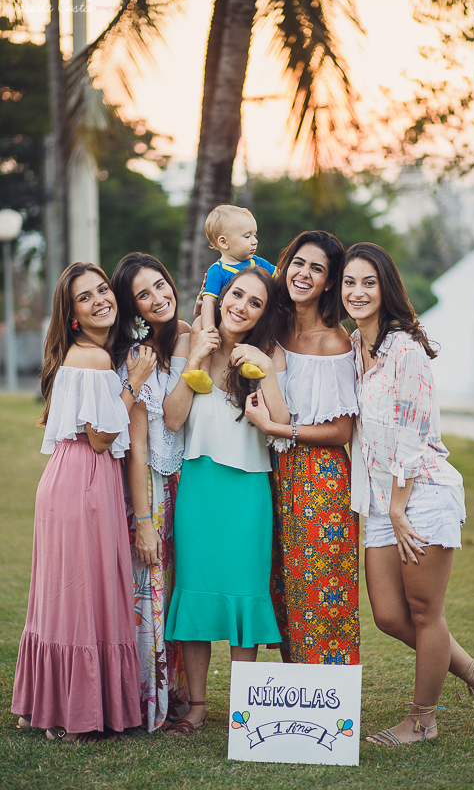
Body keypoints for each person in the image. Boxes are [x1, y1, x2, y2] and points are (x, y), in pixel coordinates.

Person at [341, 242, 474, 744]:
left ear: (386, 287)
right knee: (389, 615)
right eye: (349, 281)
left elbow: (412, 434)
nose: (357, 291)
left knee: (424, 612)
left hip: (421, 493)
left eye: (368, 281)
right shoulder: (355, 346)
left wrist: (398, 506)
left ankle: (422, 720)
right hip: (377, 499)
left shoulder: (405, 350)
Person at [12, 262, 156, 742]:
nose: (100, 300)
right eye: (85, 297)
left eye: (102, 290)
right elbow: (100, 437)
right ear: (72, 314)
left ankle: (48, 705)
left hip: (65, 480)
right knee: (81, 597)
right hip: (85, 481)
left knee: (64, 596)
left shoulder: (81, 353)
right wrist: (134, 381)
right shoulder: (93, 359)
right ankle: (76, 714)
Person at [162, 266, 289, 734]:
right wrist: (196, 354)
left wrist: (266, 374)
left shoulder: (266, 354)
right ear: (222, 294)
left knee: (244, 596)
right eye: (237, 295)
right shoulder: (190, 343)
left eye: (255, 302)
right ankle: (197, 706)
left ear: (264, 313)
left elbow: (284, 425)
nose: (242, 306)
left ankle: (246, 708)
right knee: (195, 595)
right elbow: (173, 419)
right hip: (199, 487)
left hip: (248, 492)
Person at [245, 231, 360, 665]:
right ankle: (298, 697)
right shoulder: (273, 326)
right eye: (298, 263)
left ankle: (329, 701)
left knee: (323, 593)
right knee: (284, 589)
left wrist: (279, 429)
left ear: (330, 282)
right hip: (274, 475)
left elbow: (341, 431)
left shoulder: (334, 342)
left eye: (317, 268)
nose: (303, 274)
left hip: (321, 481)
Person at [111, 252, 196, 733]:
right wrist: (144, 522)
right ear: (132, 307)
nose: (158, 297)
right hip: (150, 490)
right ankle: (148, 702)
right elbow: (138, 447)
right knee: (150, 593)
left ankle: (177, 692)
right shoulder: (137, 355)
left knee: (172, 593)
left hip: (182, 485)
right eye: (143, 294)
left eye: (160, 285)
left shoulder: (184, 335)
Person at [186, 204, 276, 392]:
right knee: (197, 326)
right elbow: (208, 300)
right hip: (221, 320)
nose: (254, 242)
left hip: (247, 320)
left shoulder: (257, 263)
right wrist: (209, 329)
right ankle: (203, 372)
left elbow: (281, 277)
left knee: (265, 337)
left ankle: (247, 366)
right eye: (247, 236)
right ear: (224, 242)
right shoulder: (217, 270)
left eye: (255, 235)